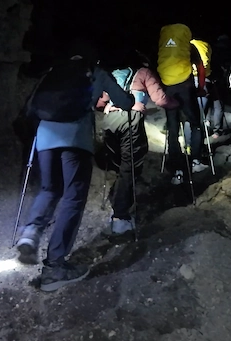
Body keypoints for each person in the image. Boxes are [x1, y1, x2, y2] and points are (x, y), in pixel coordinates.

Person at [15, 38, 134, 291]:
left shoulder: (53, 72)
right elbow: (125, 103)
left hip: (45, 139)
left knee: (49, 189)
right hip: (75, 141)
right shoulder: (96, 72)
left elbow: (29, 108)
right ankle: (54, 267)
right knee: (73, 197)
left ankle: (31, 231)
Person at [96, 48, 179, 235]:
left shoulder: (112, 74)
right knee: (130, 166)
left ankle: (119, 196)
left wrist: (111, 108)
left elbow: (99, 103)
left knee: (119, 164)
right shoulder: (144, 73)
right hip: (129, 121)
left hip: (110, 122)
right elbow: (160, 99)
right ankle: (120, 217)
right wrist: (177, 103)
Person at [156, 23, 210, 185]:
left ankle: (177, 171)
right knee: (195, 123)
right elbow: (200, 67)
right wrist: (200, 89)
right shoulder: (189, 47)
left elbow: (156, 66)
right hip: (185, 86)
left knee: (173, 129)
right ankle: (195, 161)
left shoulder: (163, 47)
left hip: (168, 86)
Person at [190, 38, 225, 139]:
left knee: (200, 109)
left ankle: (200, 133)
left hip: (193, 78)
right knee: (217, 104)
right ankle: (216, 131)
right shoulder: (207, 45)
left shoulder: (190, 44)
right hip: (210, 78)